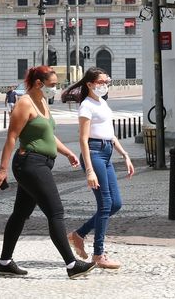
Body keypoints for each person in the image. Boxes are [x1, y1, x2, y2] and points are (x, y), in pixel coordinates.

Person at [0, 67, 95, 279]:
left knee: (20, 214)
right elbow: (11, 137)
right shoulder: (24, 103)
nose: (55, 89)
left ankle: (4, 262)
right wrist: (2, 169)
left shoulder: (43, 103)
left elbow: (48, 135)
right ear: (38, 83)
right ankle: (71, 264)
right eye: (52, 85)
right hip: (30, 164)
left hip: (42, 163)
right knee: (55, 212)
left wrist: (67, 153)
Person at [64, 67, 134, 270]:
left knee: (116, 204)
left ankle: (78, 234)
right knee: (105, 205)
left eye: (107, 82)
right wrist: (89, 170)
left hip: (106, 152)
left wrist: (125, 155)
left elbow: (110, 134)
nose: (105, 85)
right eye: (101, 82)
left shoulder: (102, 102)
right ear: (90, 84)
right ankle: (98, 253)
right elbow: (83, 140)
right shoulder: (86, 106)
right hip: (93, 154)